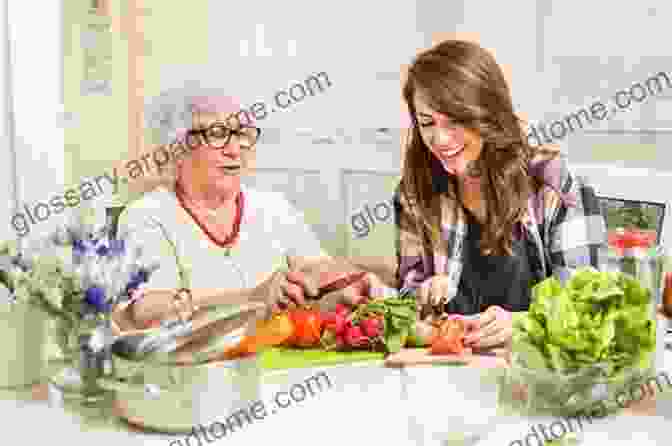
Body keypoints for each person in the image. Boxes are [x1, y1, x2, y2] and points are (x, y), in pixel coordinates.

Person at [395, 40, 607, 349]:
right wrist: (423, 296)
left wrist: (521, 324)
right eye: (427, 123)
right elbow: (405, 302)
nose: (439, 139)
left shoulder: (553, 185)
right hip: (447, 372)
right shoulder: (414, 193)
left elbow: (588, 306)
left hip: (535, 376)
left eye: (454, 121)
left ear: (486, 113)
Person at [113, 89, 384, 331]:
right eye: (217, 134)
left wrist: (354, 279)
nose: (234, 149)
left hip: (277, 362)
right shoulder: (147, 215)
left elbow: (315, 270)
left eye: (240, 134)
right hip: (195, 374)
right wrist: (253, 298)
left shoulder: (273, 207)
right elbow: (146, 312)